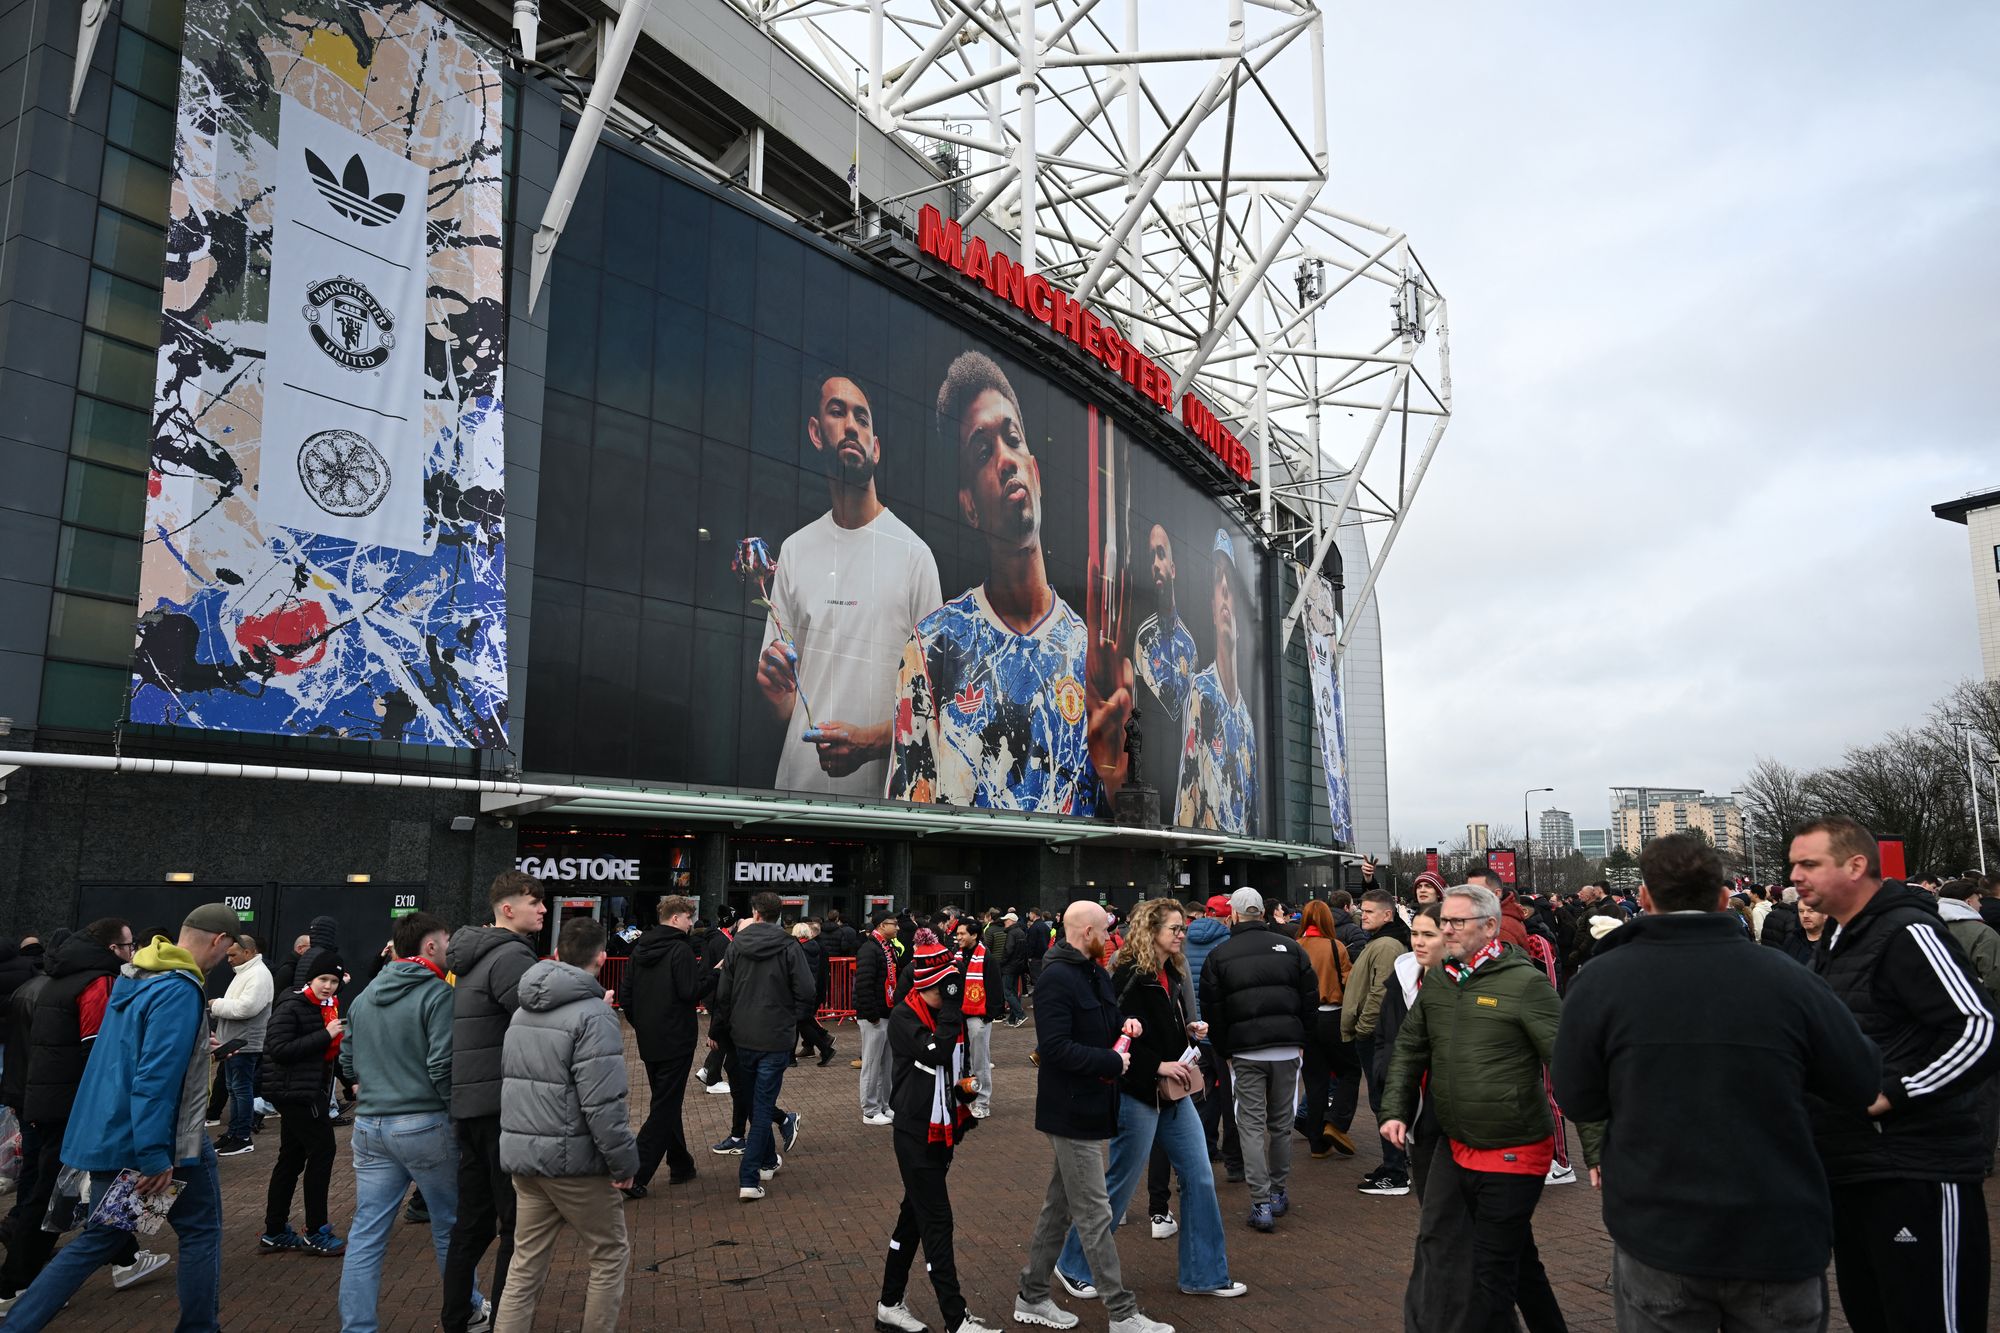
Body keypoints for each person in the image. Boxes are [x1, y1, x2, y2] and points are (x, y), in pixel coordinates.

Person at [1554, 832, 1881, 1330]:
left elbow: (1577, 1096)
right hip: (1777, 1225)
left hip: (1659, 1229)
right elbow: (1859, 1082)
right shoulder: (1789, 978)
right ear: (1725, 897)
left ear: (1643, 897)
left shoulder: (1600, 982)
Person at [887, 350, 1132, 814]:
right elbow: (906, 821)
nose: (1005, 460)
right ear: (969, 506)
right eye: (983, 452)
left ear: (1036, 475)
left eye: (1013, 439)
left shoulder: (1090, 655)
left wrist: (1116, 773)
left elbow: (1124, 835)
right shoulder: (932, 648)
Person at [1791, 817, 1995, 1331]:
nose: (1795, 875)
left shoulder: (1907, 931)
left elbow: (1979, 1027)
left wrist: (1895, 1094)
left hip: (1916, 1170)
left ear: (1856, 865)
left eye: (1809, 863)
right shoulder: (1836, 938)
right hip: (1854, 1168)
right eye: (1794, 863)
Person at [0, 905, 243, 1332]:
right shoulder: (181, 989)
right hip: (164, 1142)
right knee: (200, 1231)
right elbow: (155, 1078)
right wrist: (153, 1155)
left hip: (116, 1132)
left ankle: (19, 1323)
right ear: (219, 941)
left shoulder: (136, 977)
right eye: (226, 951)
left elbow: (124, 1062)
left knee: (103, 1237)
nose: (222, 960)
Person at [1379, 884, 1572, 1332]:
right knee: (1512, 1261)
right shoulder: (1442, 980)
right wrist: (1395, 1110)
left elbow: (1568, 1064)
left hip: (1513, 1147)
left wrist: (1599, 1145)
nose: (1445, 930)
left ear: (1489, 927)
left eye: (1455, 922)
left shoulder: (1525, 983)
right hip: (1454, 1139)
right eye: (1442, 921)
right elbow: (1409, 1046)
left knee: (1491, 1274)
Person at [756, 374, 942, 797]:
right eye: (837, 412)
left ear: (875, 448)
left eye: (862, 417)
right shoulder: (796, 551)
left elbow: (937, 712)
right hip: (795, 800)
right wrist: (773, 687)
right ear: (816, 433)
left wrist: (868, 744)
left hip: (881, 817)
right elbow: (785, 706)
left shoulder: (915, 558)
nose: (851, 425)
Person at [1049, 898, 1243, 1304]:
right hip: (1138, 1093)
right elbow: (1111, 1033)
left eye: (1181, 927)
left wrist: (1188, 1031)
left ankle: (1205, 1274)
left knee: (1201, 1176)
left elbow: (1156, 1031)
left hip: (1171, 1095)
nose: (1181, 934)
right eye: (1174, 928)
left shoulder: (1170, 970)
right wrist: (1158, 1065)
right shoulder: (1126, 973)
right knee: (1118, 1184)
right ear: (1151, 930)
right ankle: (1073, 1264)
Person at [1013, 901, 1173, 1333]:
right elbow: (1056, 1048)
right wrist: (1108, 1060)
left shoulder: (1093, 972)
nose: (1111, 933)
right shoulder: (1057, 979)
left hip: (1089, 1107)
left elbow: (1106, 1020)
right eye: (1105, 928)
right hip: (1070, 1109)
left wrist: (1127, 1025)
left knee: (1060, 1208)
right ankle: (1122, 1313)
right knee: (1094, 1213)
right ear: (1087, 932)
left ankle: (1032, 1295)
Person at [0, 920, 163, 1314]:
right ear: (111, 949)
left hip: (45, 1099)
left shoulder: (51, 980)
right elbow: (101, 1049)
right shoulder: (97, 984)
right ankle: (15, 1286)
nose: (132, 952)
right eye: (128, 945)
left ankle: (124, 1256)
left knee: (64, 1187)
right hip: (77, 1106)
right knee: (60, 1192)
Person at [488, 917, 637, 1333]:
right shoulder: (594, 1017)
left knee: (525, 1261)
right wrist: (624, 1162)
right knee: (608, 1254)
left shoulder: (522, 1011)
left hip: (526, 1158)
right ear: (603, 958)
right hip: (576, 1162)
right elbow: (603, 1103)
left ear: (557, 954)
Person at [337, 910, 482, 1333]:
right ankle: (468, 1309)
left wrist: (367, 1084)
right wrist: (456, 1114)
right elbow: (442, 1065)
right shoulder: (438, 995)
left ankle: (357, 1327)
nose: (451, 948)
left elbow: (347, 1061)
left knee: (366, 1233)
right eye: (447, 940)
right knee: (449, 1225)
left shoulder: (363, 997)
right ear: (430, 945)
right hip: (423, 1123)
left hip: (371, 1126)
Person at [873, 935, 999, 1333]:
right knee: (937, 1222)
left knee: (913, 1220)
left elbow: (953, 1066)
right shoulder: (903, 1018)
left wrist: (965, 1096)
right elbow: (939, 1053)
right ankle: (955, 1319)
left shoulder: (942, 1011)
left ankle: (889, 1305)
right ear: (928, 986)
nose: (951, 998)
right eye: (945, 990)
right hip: (916, 1132)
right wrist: (952, 1007)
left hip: (941, 1131)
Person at [441, 870, 547, 1333]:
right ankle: (505, 1322)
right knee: (516, 1226)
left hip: (473, 1105)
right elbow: (537, 1025)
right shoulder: (509, 958)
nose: (543, 909)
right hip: (504, 1108)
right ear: (508, 909)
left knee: (473, 1224)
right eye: (534, 901)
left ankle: (457, 1319)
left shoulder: (475, 958)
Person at [1197, 887, 1315, 1233]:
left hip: (1245, 1052)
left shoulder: (1220, 954)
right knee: (1281, 1123)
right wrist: (1302, 1039)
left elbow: (1213, 1010)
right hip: (1286, 1049)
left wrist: (1223, 1050)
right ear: (1263, 912)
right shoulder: (1292, 949)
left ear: (1233, 914)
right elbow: (1309, 998)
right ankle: (1277, 1192)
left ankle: (1261, 1201)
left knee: (1249, 1124)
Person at [713, 891, 816, 1201]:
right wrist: (790, 1019)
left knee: (757, 1102)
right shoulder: (788, 946)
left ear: (755, 913)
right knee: (760, 1106)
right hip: (773, 1038)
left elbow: (724, 995)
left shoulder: (736, 947)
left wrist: (722, 1029)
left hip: (745, 1035)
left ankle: (766, 1162)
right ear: (777, 915)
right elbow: (807, 991)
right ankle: (749, 1175)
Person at [258, 951, 347, 1256]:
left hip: (302, 1090)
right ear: (311, 978)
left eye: (334, 981)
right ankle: (316, 1230)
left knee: (292, 1158)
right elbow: (278, 1048)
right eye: (324, 979)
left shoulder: (323, 1006)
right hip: (298, 1093)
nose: (329, 986)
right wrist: (325, 1035)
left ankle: (275, 1230)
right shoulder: (295, 1005)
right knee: (322, 1151)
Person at [623, 895, 713, 1193]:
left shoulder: (639, 949)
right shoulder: (680, 949)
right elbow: (690, 992)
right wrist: (714, 975)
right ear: (676, 918)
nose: (691, 924)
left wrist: (643, 1024)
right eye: (689, 918)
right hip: (677, 1037)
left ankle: (681, 1164)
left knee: (665, 1100)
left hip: (650, 1037)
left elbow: (627, 996)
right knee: (664, 1105)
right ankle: (636, 1173)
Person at [1171, 530, 1258, 835]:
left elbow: (1253, 820)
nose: (1223, 588)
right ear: (1211, 608)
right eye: (1218, 581)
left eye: (1230, 585)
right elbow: (1187, 797)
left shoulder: (1247, 723)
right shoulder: (1201, 691)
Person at [1341, 890, 1412, 1193]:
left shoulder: (1385, 945)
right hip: (1377, 1034)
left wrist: (1364, 1027)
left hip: (1377, 1036)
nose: (1363, 915)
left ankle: (1396, 1172)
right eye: (1362, 910)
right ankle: (1393, 1163)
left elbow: (1379, 993)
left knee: (1383, 1101)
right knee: (1382, 1100)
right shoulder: (1382, 942)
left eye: (1370, 911)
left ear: (1388, 914)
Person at [1937, 878, 2000, 1171]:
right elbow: (1994, 981)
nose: (1980, 903)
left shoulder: (1927, 929)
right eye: (1977, 898)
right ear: (1967, 900)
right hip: (1979, 1026)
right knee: (1986, 1093)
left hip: (1936, 1026)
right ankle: (1982, 1157)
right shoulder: (1983, 933)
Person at [1294, 900, 1357, 1161]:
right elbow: (1348, 981)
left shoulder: (1294, 948)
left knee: (1315, 1080)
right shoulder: (1336, 946)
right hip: (1332, 1017)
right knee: (1351, 1071)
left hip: (1305, 1020)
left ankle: (1317, 1143)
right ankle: (1336, 1121)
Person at [1181, 895, 1236, 1177]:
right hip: (1223, 1032)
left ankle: (1204, 1147)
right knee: (1230, 1096)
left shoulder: (1183, 940)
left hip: (1193, 1032)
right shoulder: (1229, 943)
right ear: (1228, 917)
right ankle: (1234, 1160)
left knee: (1200, 1096)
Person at [209, 934, 272, 1156]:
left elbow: (247, 1008)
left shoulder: (258, 974)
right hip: (235, 1042)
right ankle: (234, 1132)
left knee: (240, 1089)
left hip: (245, 1042)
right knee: (234, 1089)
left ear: (248, 952)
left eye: (232, 954)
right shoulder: (246, 972)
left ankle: (242, 1136)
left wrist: (216, 1005)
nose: (228, 959)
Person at [1132, 523, 1196, 728]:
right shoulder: (1143, 637)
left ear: (1173, 569)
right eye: (1151, 557)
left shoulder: (1189, 645)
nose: (1156, 564)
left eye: (1161, 554)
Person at [856, 911, 909, 1125]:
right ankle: (870, 1110)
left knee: (886, 1064)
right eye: (892, 924)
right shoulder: (870, 949)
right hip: (875, 1016)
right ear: (880, 925)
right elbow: (864, 983)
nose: (897, 928)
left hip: (887, 1012)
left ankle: (884, 1105)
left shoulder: (888, 948)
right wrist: (871, 1014)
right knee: (871, 1063)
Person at [953, 919, 996, 1119]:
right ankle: (965, 1098)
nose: (959, 937)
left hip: (978, 1017)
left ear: (974, 935)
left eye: (962, 933)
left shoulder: (986, 957)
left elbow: (994, 986)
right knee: (962, 1061)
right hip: (959, 1016)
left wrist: (988, 1015)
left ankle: (982, 1102)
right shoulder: (955, 955)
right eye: (958, 933)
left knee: (980, 1061)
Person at [1002, 912, 1032, 1025]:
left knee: (1007, 992)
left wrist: (1002, 962)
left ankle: (1020, 1015)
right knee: (1014, 992)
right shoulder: (1021, 932)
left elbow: (1008, 950)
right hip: (1018, 966)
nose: (1004, 922)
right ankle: (1013, 1018)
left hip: (1010, 966)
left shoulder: (1011, 933)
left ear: (1010, 921)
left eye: (1006, 920)